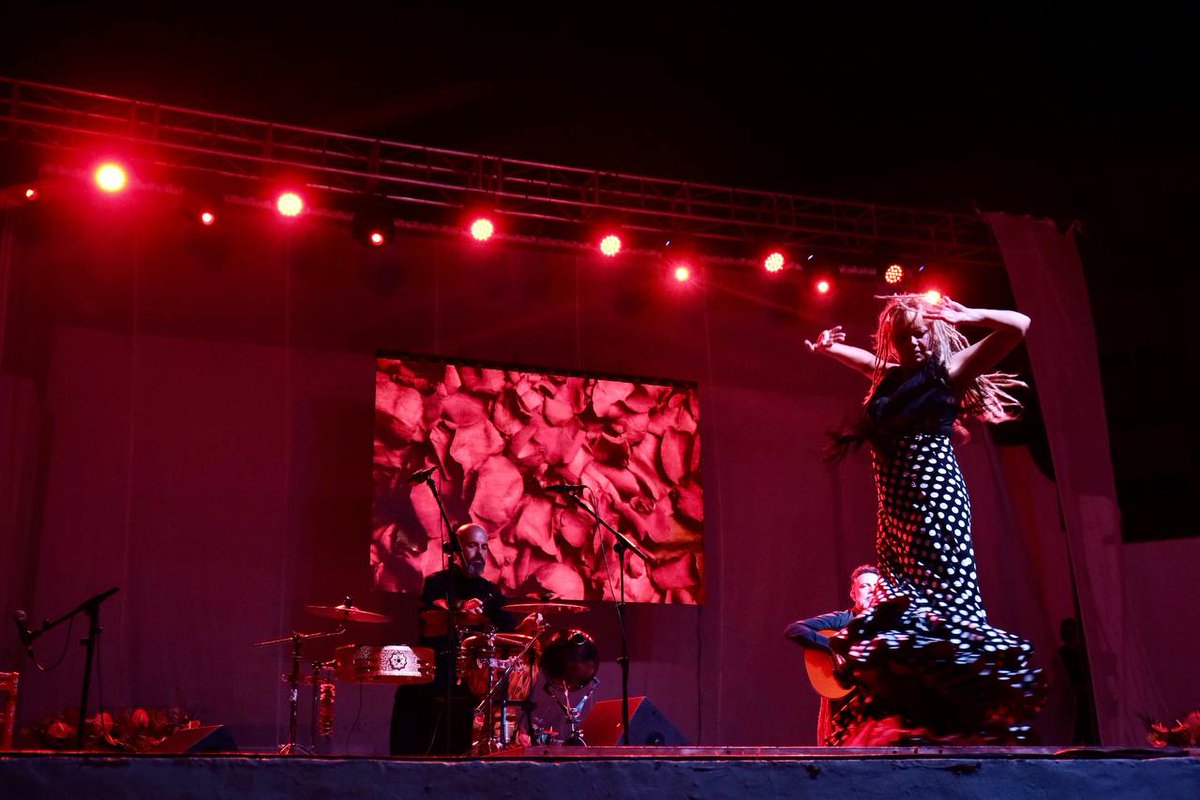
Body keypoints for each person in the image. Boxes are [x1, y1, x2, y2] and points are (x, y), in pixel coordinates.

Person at [806, 293, 1043, 745]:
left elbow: (1020, 324)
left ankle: (965, 712)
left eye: (919, 333)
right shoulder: (886, 375)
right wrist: (827, 348)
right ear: (891, 343)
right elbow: (862, 359)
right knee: (901, 612)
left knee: (944, 608)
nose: (913, 342)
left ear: (931, 332)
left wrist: (971, 314)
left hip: (936, 506)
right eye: (903, 337)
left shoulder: (948, 372)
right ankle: (924, 715)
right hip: (894, 513)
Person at [390, 522, 540, 755]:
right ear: (455, 550)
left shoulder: (490, 591)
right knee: (410, 701)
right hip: (434, 670)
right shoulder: (437, 583)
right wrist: (460, 610)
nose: (479, 553)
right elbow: (430, 619)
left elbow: (510, 633)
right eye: (472, 546)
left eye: (483, 547)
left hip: (469, 677)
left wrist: (527, 628)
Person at [784, 564, 879, 744]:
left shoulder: (890, 624)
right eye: (865, 585)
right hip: (846, 706)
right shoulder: (844, 619)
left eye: (876, 587)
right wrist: (833, 646)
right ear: (853, 594)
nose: (871, 590)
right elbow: (795, 629)